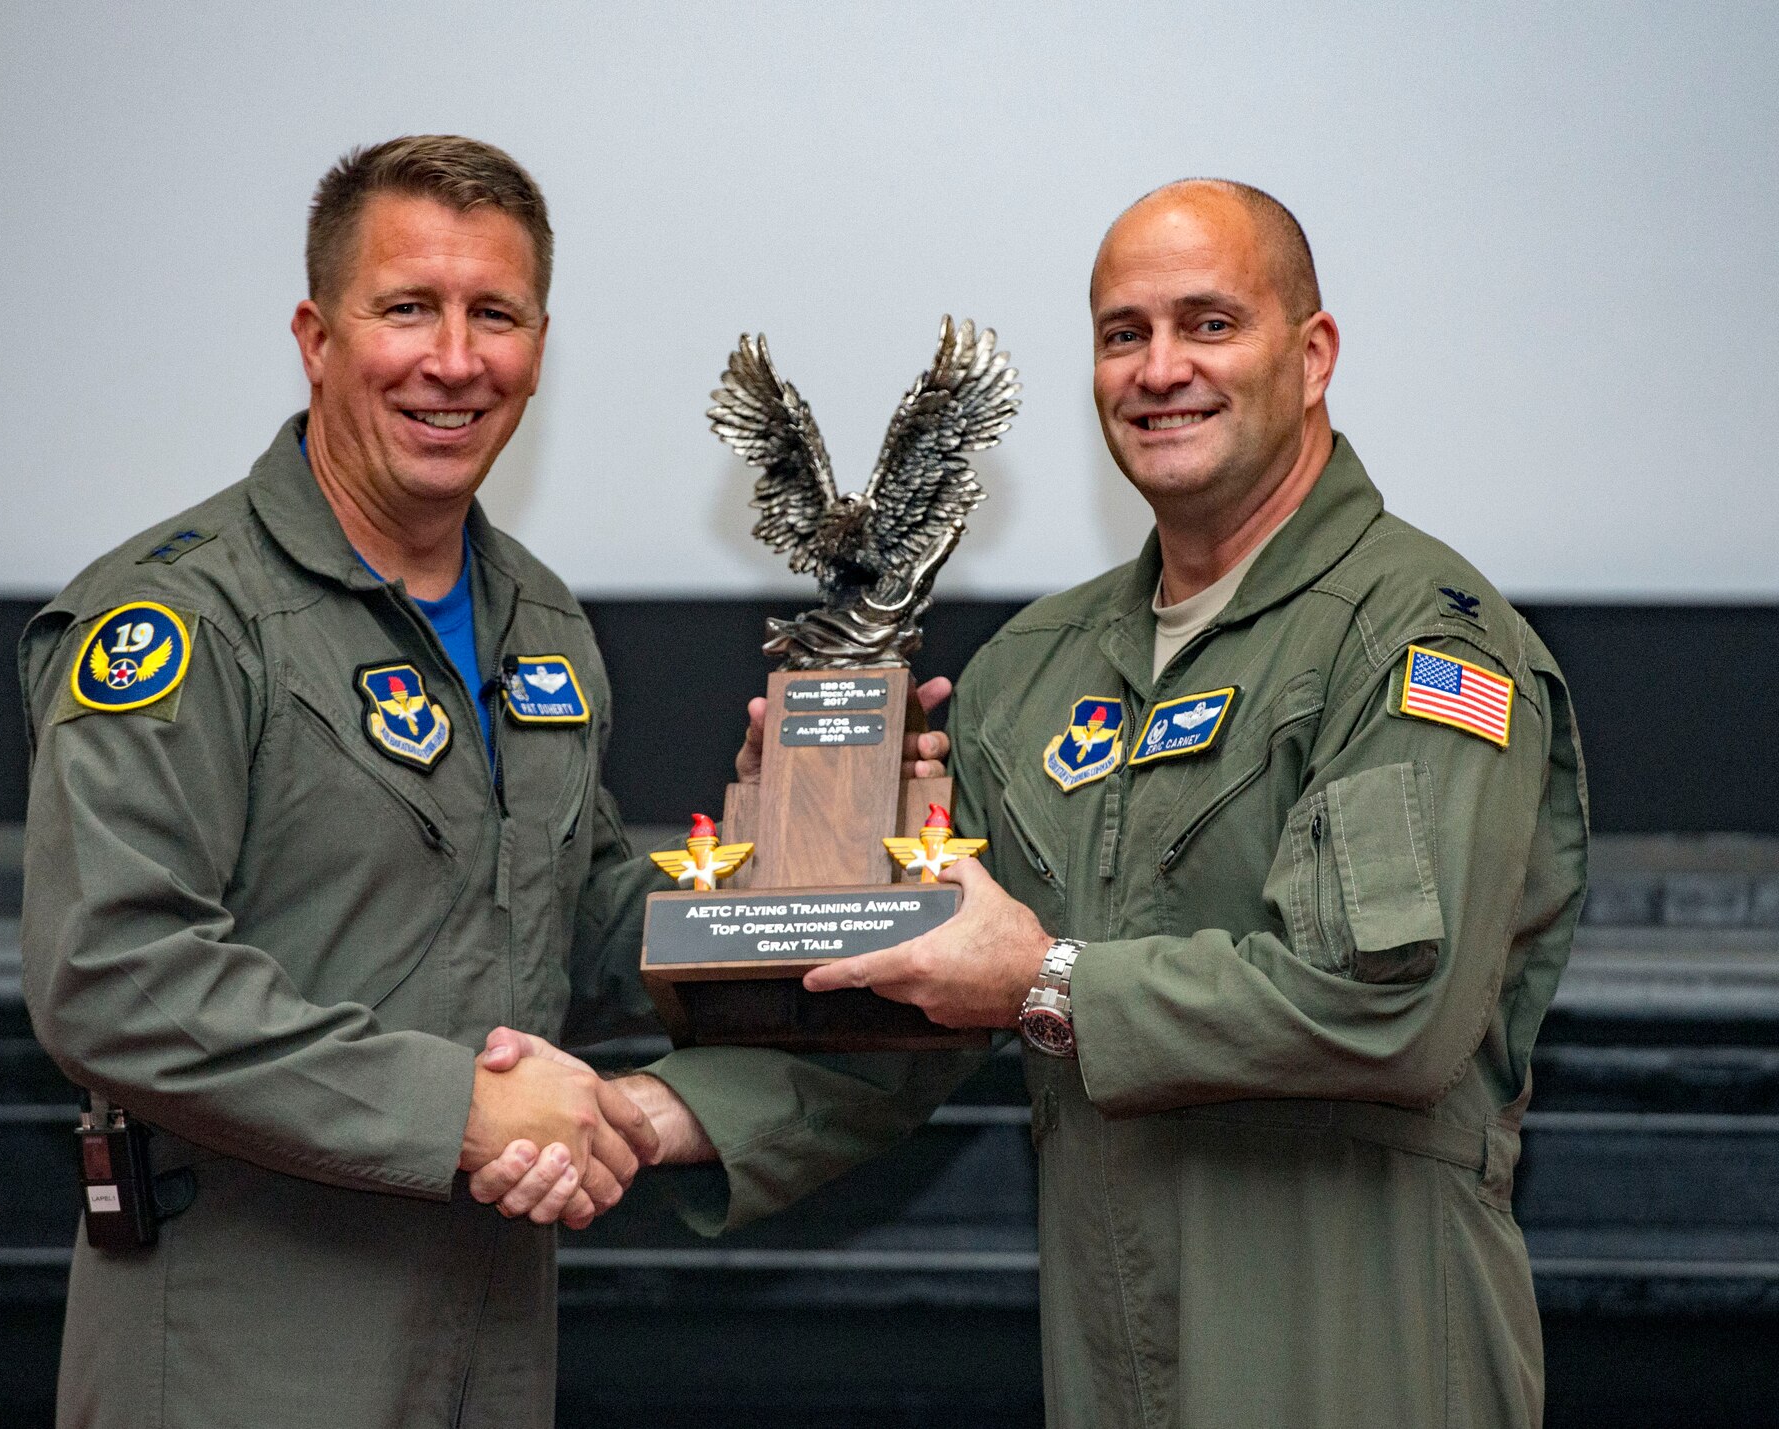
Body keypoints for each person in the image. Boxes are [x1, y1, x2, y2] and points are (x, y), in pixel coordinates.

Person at [570, 180, 1588, 1428]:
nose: (1159, 369)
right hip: (1115, 1363)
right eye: (1123, 333)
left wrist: (1043, 979)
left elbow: (1391, 1012)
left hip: (1358, 1350)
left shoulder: (1415, 645)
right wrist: (640, 1111)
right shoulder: (1032, 675)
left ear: (1311, 356)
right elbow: (904, 1024)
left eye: (1207, 324)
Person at [17, 134, 957, 1429]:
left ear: (538, 346)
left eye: (494, 316)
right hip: (247, 1342)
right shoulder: (178, 617)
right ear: (316, 334)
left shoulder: (542, 621)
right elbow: (114, 975)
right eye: (407, 307)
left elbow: (578, 922)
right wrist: (460, 1106)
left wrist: (788, 852)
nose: (454, 359)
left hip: (492, 1333)